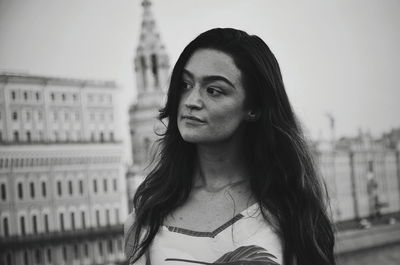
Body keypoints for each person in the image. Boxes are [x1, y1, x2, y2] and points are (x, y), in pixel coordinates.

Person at [125, 28, 336, 265]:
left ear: (253, 107)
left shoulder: (290, 209)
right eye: (185, 85)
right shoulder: (147, 218)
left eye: (214, 90)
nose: (191, 102)